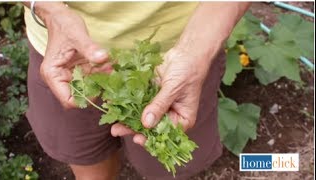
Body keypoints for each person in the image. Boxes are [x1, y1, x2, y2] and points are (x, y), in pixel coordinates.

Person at [23, 2, 250, 180]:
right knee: (87, 162)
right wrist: (48, 10)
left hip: (183, 57)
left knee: (168, 168)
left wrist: (196, 49)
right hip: (66, 57)